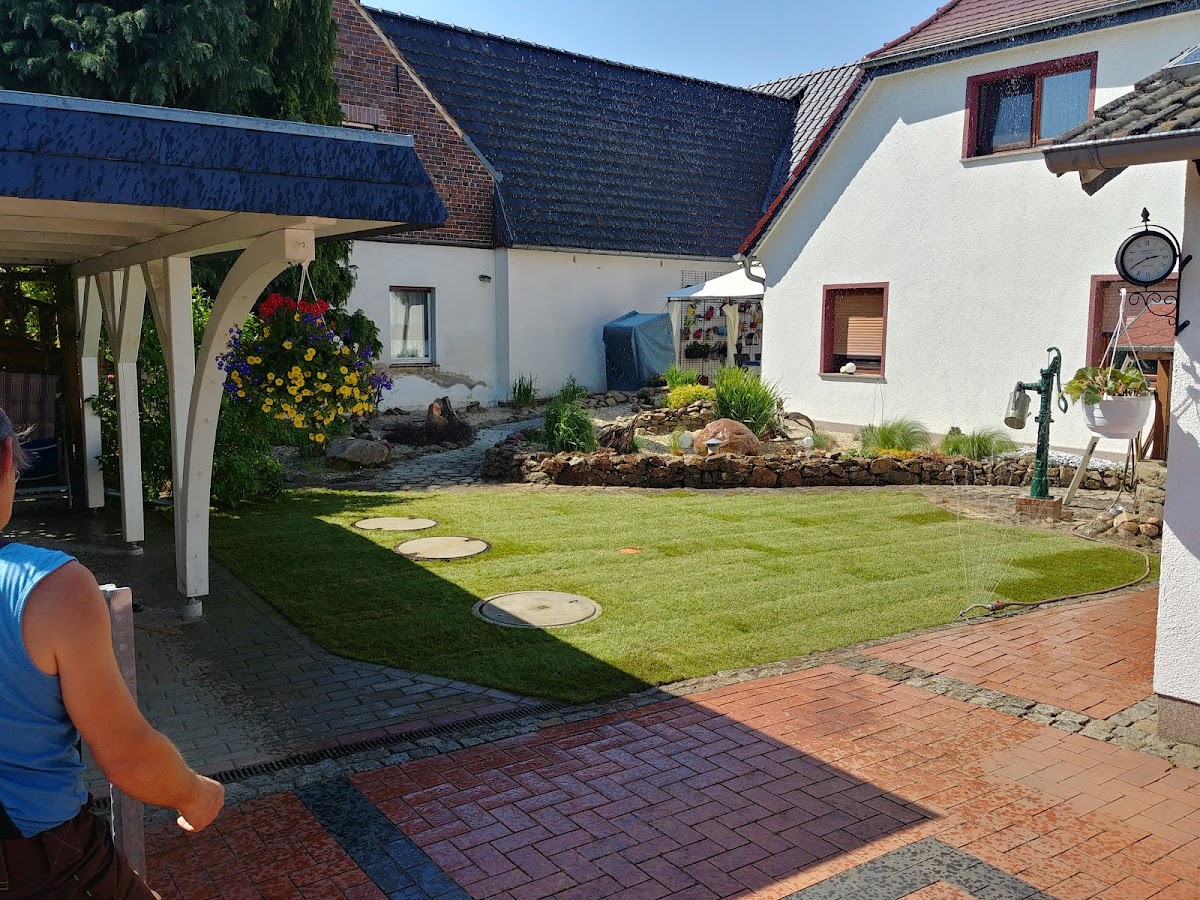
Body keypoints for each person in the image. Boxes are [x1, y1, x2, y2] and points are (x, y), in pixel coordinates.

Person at [0, 407, 224, 898]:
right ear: (5, 459)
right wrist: (195, 793)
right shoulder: (49, 589)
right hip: (40, 864)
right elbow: (126, 758)